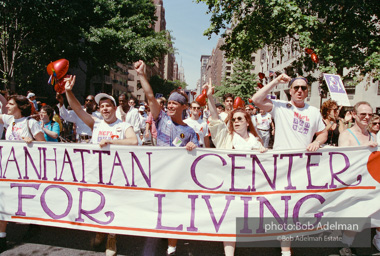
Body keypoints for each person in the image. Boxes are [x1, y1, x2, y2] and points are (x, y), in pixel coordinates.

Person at [63, 75, 138, 256]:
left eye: (108, 105)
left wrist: (111, 143)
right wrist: (67, 90)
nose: (104, 108)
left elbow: (134, 141)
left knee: (114, 204)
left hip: (117, 174)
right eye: (101, 106)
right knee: (97, 202)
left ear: (114, 108)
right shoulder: (95, 124)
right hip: (96, 172)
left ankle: (112, 237)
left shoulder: (124, 126)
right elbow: (77, 109)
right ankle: (99, 230)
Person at [252, 75, 327, 256]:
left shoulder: (314, 112)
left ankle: (285, 244)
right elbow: (255, 100)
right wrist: (276, 81)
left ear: (307, 91)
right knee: (279, 204)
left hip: (303, 167)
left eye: (303, 88)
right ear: (290, 91)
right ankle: (280, 243)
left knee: (295, 206)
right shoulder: (279, 107)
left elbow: (323, 132)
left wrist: (317, 141)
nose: (300, 91)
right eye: (296, 88)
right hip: (281, 166)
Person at [134, 60, 198, 256]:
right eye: (169, 102)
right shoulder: (160, 118)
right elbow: (150, 95)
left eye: (174, 103)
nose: (169, 105)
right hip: (158, 173)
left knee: (174, 209)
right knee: (158, 207)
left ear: (183, 107)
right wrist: (142, 75)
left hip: (177, 178)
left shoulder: (189, 131)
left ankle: (172, 247)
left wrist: (192, 147)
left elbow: (198, 155)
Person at [204, 82, 266, 256]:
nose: (236, 121)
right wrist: (210, 97)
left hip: (252, 187)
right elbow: (215, 120)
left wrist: (264, 153)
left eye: (240, 118)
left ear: (247, 121)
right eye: (233, 119)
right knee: (230, 221)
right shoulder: (227, 139)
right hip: (231, 187)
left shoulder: (256, 141)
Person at [0, 94, 46, 252]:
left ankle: (34, 225)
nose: (7, 106)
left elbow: (44, 145)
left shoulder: (31, 123)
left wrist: (32, 142)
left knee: (27, 198)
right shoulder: (9, 120)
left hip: (27, 169)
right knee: (4, 199)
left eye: (11, 104)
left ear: (20, 107)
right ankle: (2, 237)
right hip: (9, 168)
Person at [338, 101, 377, 256]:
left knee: (362, 218)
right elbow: (342, 161)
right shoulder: (346, 135)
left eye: (370, 114)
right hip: (353, 183)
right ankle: (345, 246)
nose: (367, 117)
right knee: (355, 218)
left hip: (369, 182)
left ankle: (349, 242)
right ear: (354, 115)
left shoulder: (373, 134)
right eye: (363, 114)